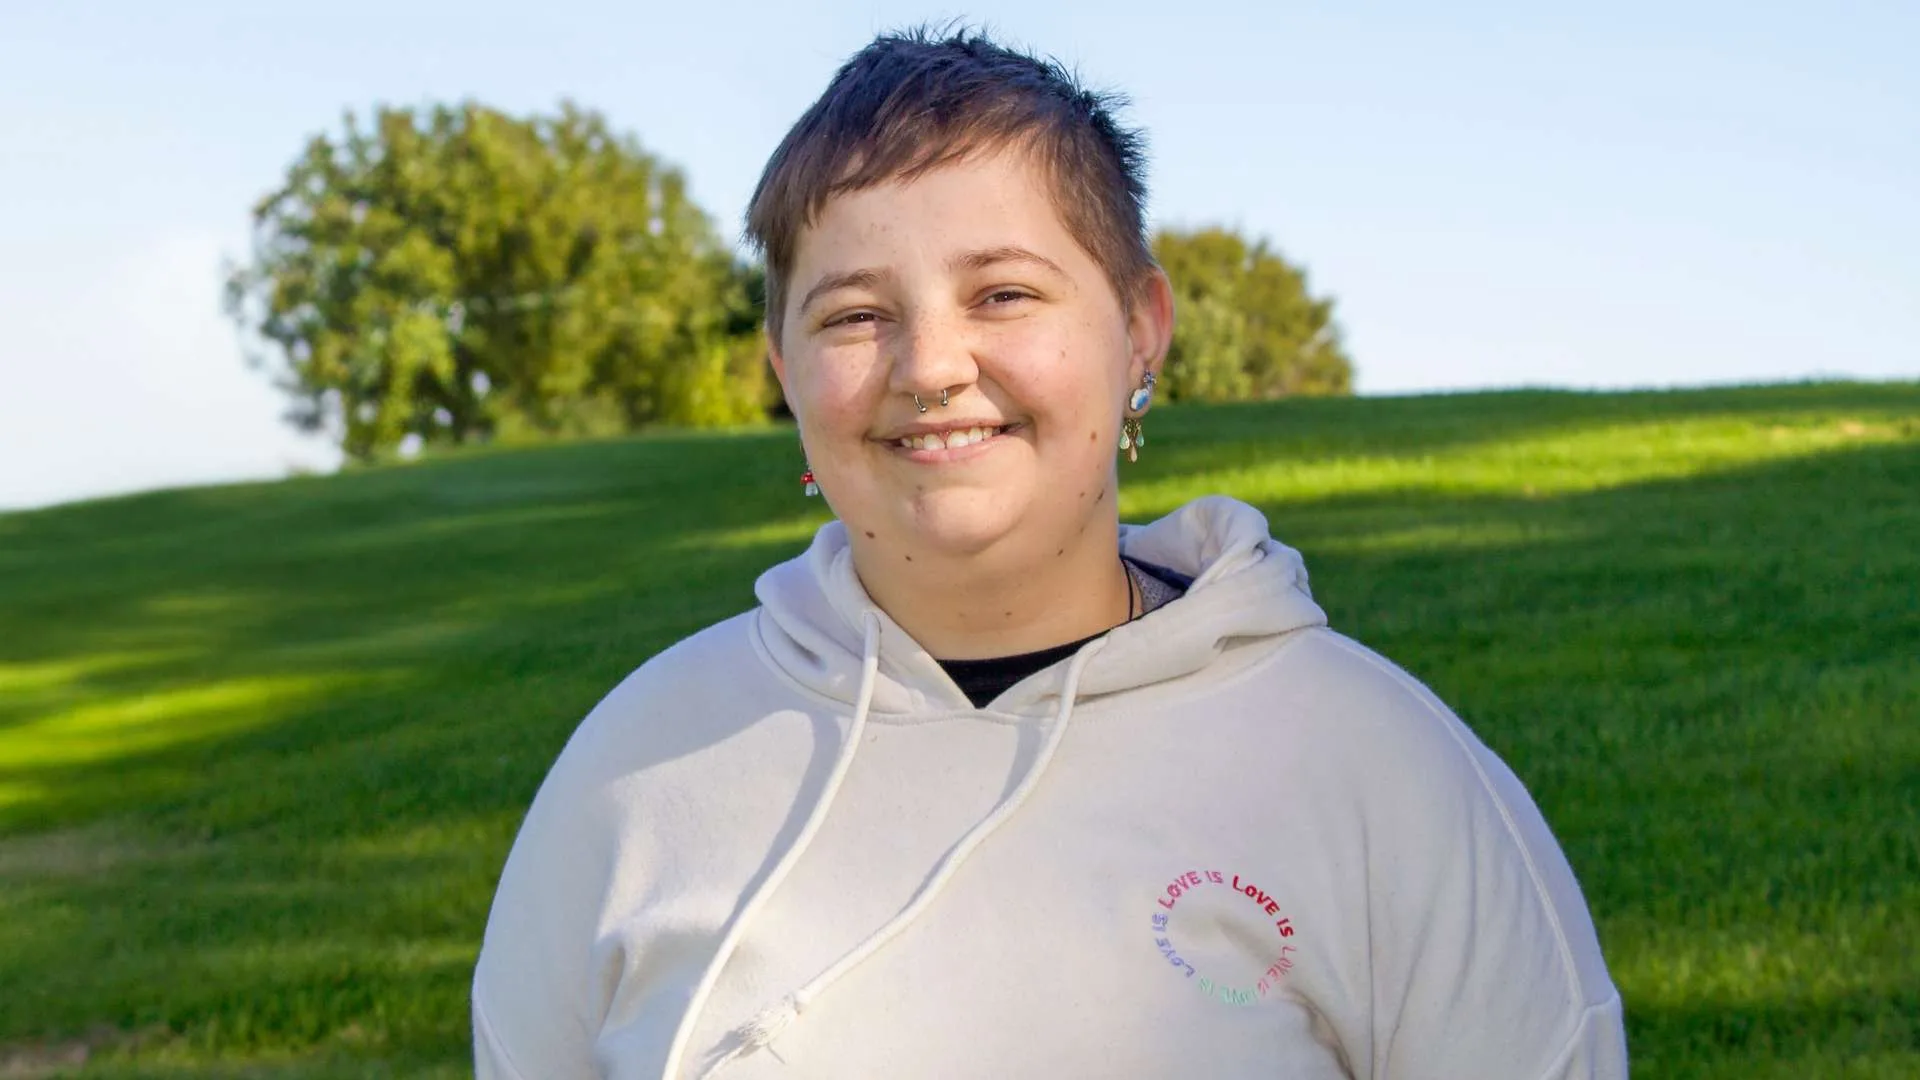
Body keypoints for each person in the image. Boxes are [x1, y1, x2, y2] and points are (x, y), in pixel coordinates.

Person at [472, 27, 1627, 1080]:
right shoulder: (637, 771)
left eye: (1004, 293)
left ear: (1140, 331)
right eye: (855, 315)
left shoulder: (1381, 772)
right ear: (785, 371)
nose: (931, 367)